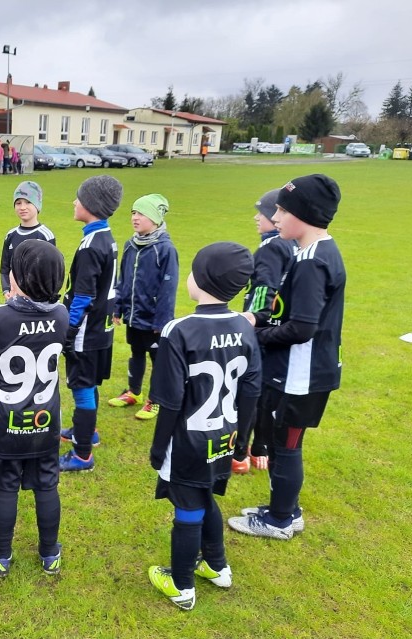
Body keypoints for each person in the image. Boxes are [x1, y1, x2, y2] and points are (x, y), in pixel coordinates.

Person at [228, 174, 345, 541]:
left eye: (282, 209)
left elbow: (302, 328)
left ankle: (280, 520)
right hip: (301, 371)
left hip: (302, 374)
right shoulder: (312, 252)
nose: (275, 217)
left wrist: (258, 334)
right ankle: (286, 510)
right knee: (285, 442)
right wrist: (259, 318)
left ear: (304, 214)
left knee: (288, 446)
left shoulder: (312, 260)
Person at [146, 242, 260, 611]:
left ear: (201, 279)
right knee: (204, 493)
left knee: (188, 504)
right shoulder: (245, 328)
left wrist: (158, 446)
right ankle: (216, 564)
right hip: (224, 434)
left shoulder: (178, 330)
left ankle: (181, 585)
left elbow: (171, 400)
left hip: (189, 440)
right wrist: (242, 441)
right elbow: (251, 391)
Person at [0, 240, 68, 578]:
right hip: (45, 420)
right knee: (47, 485)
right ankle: (50, 554)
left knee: (6, 486)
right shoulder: (61, 314)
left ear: (20, 277)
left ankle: (1, 554)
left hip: (6, 424)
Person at [59, 175, 123, 472]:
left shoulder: (90, 246)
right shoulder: (106, 237)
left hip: (86, 331)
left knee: (82, 386)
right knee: (91, 382)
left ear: (92, 205)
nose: (74, 202)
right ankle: (88, 431)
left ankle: (82, 454)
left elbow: (82, 296)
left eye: (79, 198)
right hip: (102, 330)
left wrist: (69, 331)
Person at [232, 189, 298, 475]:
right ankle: (262, 447)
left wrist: (252, 318)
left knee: (251, 393)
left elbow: (264, 290)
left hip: (262, 333)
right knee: (269, 393)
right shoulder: (292, 245)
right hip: (281, 331)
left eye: (263, 212)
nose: (257, 217)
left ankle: (240, 452)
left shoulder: (271, 247)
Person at [109, 194, 178, 422]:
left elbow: (169, 288)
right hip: (134, 315)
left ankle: (156, 400)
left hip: (155, 320)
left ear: (155, 218)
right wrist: (118, 307)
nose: (135, 218)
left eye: (141, 214)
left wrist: (163, 321)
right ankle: (134, 392)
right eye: (133, 213)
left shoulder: (165, 249)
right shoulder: (131, 245)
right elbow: (122, 280)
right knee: (136, 352)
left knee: (158, 360)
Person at [0, 181, 55, 298]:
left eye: (28, 202)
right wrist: (6, 290)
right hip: (14, 298)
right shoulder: (11, 235)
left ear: (37, 205)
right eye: (18, 203)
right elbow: (4, 268)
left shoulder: (45, 235)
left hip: (37, 299)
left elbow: (51, 271)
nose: (22, 207)